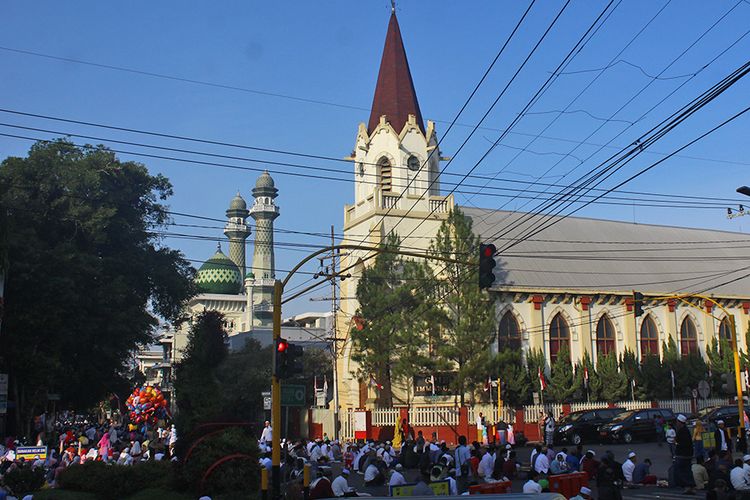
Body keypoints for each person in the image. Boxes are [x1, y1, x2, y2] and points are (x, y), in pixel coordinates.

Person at [674, 414, 696, 494]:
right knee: (688, 471)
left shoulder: (682, 431)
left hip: (683, 455)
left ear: (680, 422)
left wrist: (676, 443)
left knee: (682, 471)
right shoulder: (685, 430)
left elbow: (683, 443)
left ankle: (687, 486)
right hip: (687, 454)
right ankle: (691, 486)